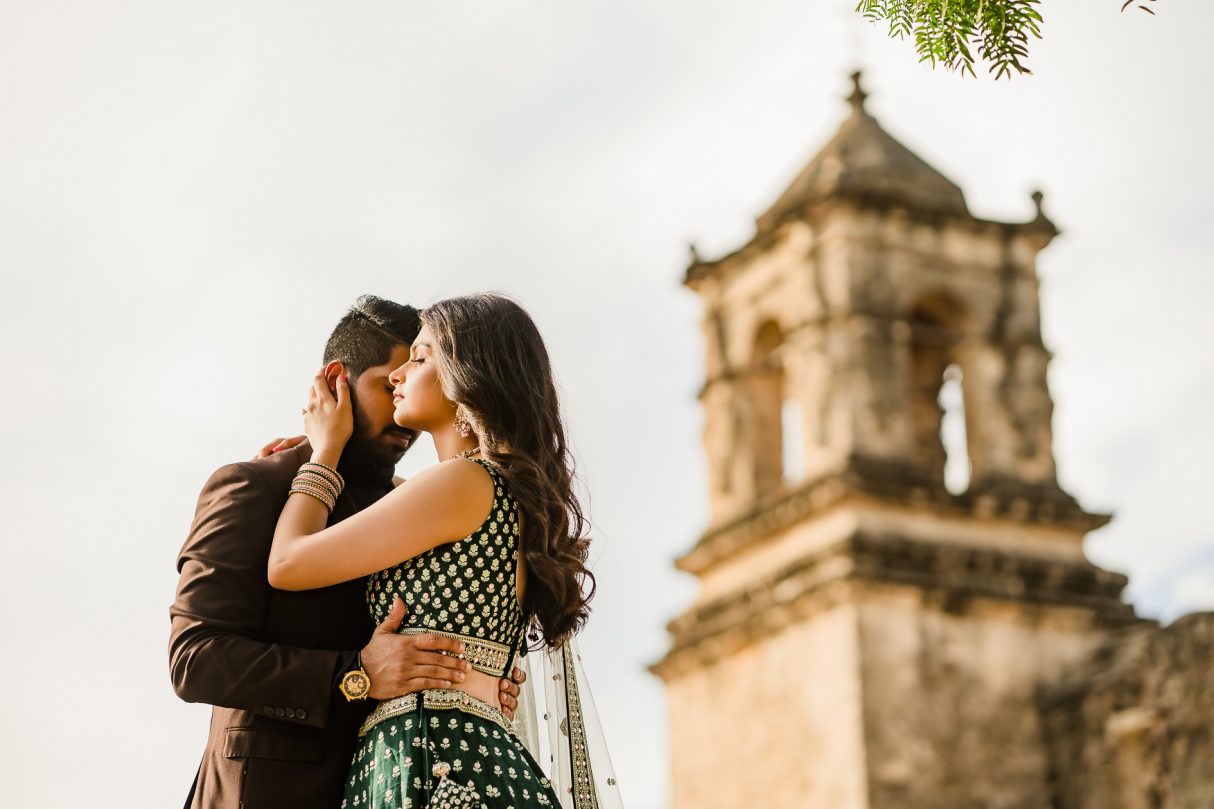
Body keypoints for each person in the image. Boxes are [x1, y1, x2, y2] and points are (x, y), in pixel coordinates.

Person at [169, 295, 525, 809]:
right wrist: (354, 674)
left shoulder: (423, 501)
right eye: (387, 383)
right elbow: (196, 660)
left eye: (418, 370)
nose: (402, 392)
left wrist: (478, 680)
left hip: (402, 783)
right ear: (337, 379)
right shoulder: (257, 486)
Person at [267, 292, 618, 809]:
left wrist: (321, 456)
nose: (397, 374)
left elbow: (287, 564)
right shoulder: (496, 492)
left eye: (421, 356)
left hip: (432, 759)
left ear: (466, 377)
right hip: (471, 756)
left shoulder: (463, 484)